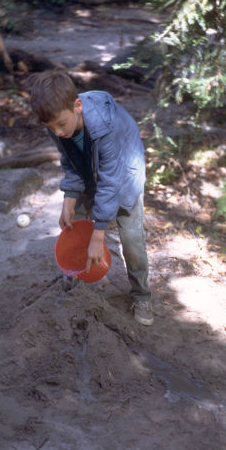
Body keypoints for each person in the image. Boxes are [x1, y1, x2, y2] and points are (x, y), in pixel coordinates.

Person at [30, 69, 153, 326]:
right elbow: (70, 160)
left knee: (131, 239)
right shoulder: (58, 121)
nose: (57, 132)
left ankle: (142, 295)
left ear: (78, 106)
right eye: (50, 127)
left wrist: (100, 234)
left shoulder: (106, 126)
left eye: (61, 124)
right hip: (91, 171)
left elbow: (110, 181)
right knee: (79, 226)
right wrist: (69, 199)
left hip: (124, 175)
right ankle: (77, 279)